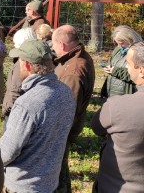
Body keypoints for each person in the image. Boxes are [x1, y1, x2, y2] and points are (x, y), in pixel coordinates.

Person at [0, 39, 76, 193]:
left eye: (19, 61)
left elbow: (7, 152)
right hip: (50, 182)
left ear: (27, 65)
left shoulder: (27, 104)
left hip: (23, 185)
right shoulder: (66, 92)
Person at [91, 41, 144, 193]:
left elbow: (97, 128)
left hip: (118, 187)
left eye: (128, 63)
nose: (126, 67)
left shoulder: (116, 106)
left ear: (141, 70)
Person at [51, 24, 95, 193]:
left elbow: (67, 108)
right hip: (65, 128)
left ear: (62, 45)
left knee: (58, 175)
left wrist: (55, 134)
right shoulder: (76, 57)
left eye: (54, 45)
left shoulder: (73, 72)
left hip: (61, 131)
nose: (53, 49)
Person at [1, 28, 37, 126]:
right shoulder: (39, 60)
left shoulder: (21, 64)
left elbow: (15, 91)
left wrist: (6, 109)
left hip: (15, 112)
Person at [101, 25, 142, 98]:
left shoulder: (139, 52)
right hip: (112, 93)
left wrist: (115, 71)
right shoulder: (118, 49)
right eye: (117, 43)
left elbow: (137, 75)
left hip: (127, 95)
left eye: (121, 43)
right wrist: (108, 67)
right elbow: (111, 62)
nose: (119, 46)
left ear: (130, 39)